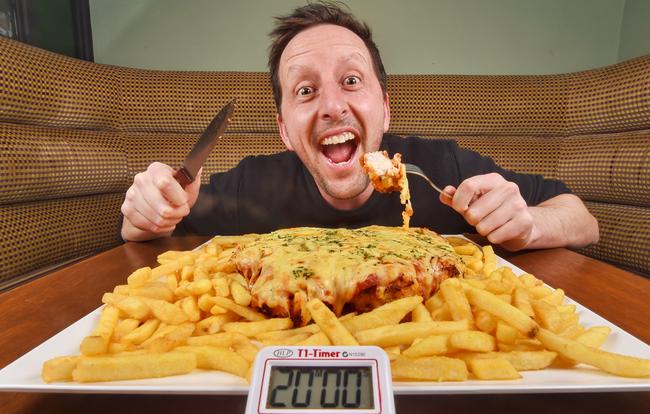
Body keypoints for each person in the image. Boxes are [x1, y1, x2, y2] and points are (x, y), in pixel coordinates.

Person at [120, 1, 598, 252]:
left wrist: (529, 225)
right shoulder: (250, 184)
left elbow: (582, 218)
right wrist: (146, 213)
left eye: (351, 80)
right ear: (285, 131)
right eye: (305, 91)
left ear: (385, 109)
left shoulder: (444, 168)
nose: (332, 106)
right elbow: (154, 228)